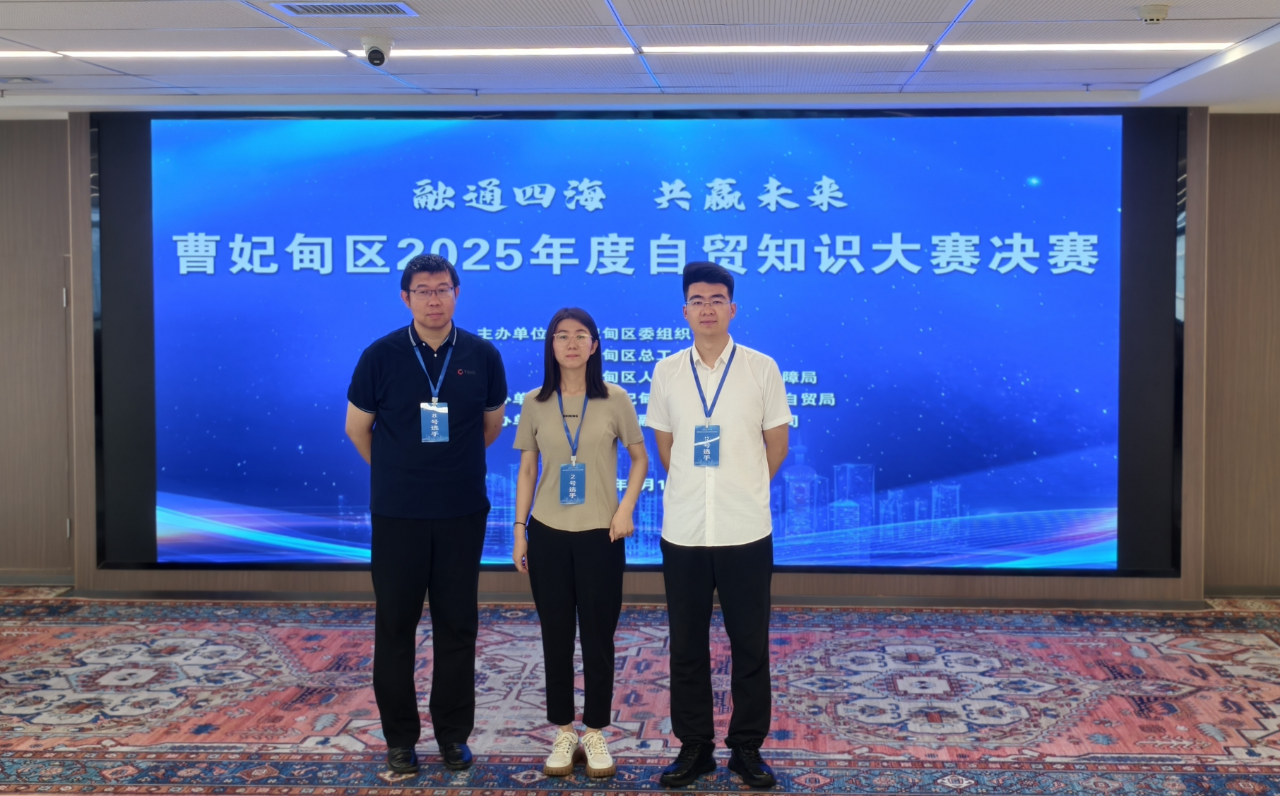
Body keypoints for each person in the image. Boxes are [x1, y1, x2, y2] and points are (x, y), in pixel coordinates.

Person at [344, 253, 507, 776]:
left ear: (457, 293)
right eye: (423, 290)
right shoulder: (380, 355)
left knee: (457, 625)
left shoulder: (482, 355)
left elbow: (491, 427)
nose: (433, 299)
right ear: (405, 297)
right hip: (399, 514)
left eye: (442, 289)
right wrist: (400, 471)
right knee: (396, 625)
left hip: (461, 511)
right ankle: (400, 739)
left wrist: (446, 469)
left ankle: (452, 736)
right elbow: (357, 429)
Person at [646, 262, 791, 789]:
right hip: (685, 530)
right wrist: (699, 488)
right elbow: (666, 450)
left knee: (749, 643)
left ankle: (746, 748)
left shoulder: (761, 369)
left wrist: (740, 486)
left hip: (744, 529)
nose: (706, 308)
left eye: (716, 299)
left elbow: (777, 445)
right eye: (697, 300)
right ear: (684, 311)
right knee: (686, 644)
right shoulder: (666, 371)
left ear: (733, 308)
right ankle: (696, 748)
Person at [512, 307, 648, 779]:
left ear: (594, 345)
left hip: (600, 534)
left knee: (597, 636)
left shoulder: (615, 398)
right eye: (561, 336)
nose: (571, 343)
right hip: (548, 532)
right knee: (555, 635)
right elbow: (527, 469)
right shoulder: (534, 402)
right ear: (550, 345)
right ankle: (564, 730)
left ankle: (594, 731)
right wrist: (519, 529)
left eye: (580, 335)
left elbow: (640, 459)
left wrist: (625, 509)